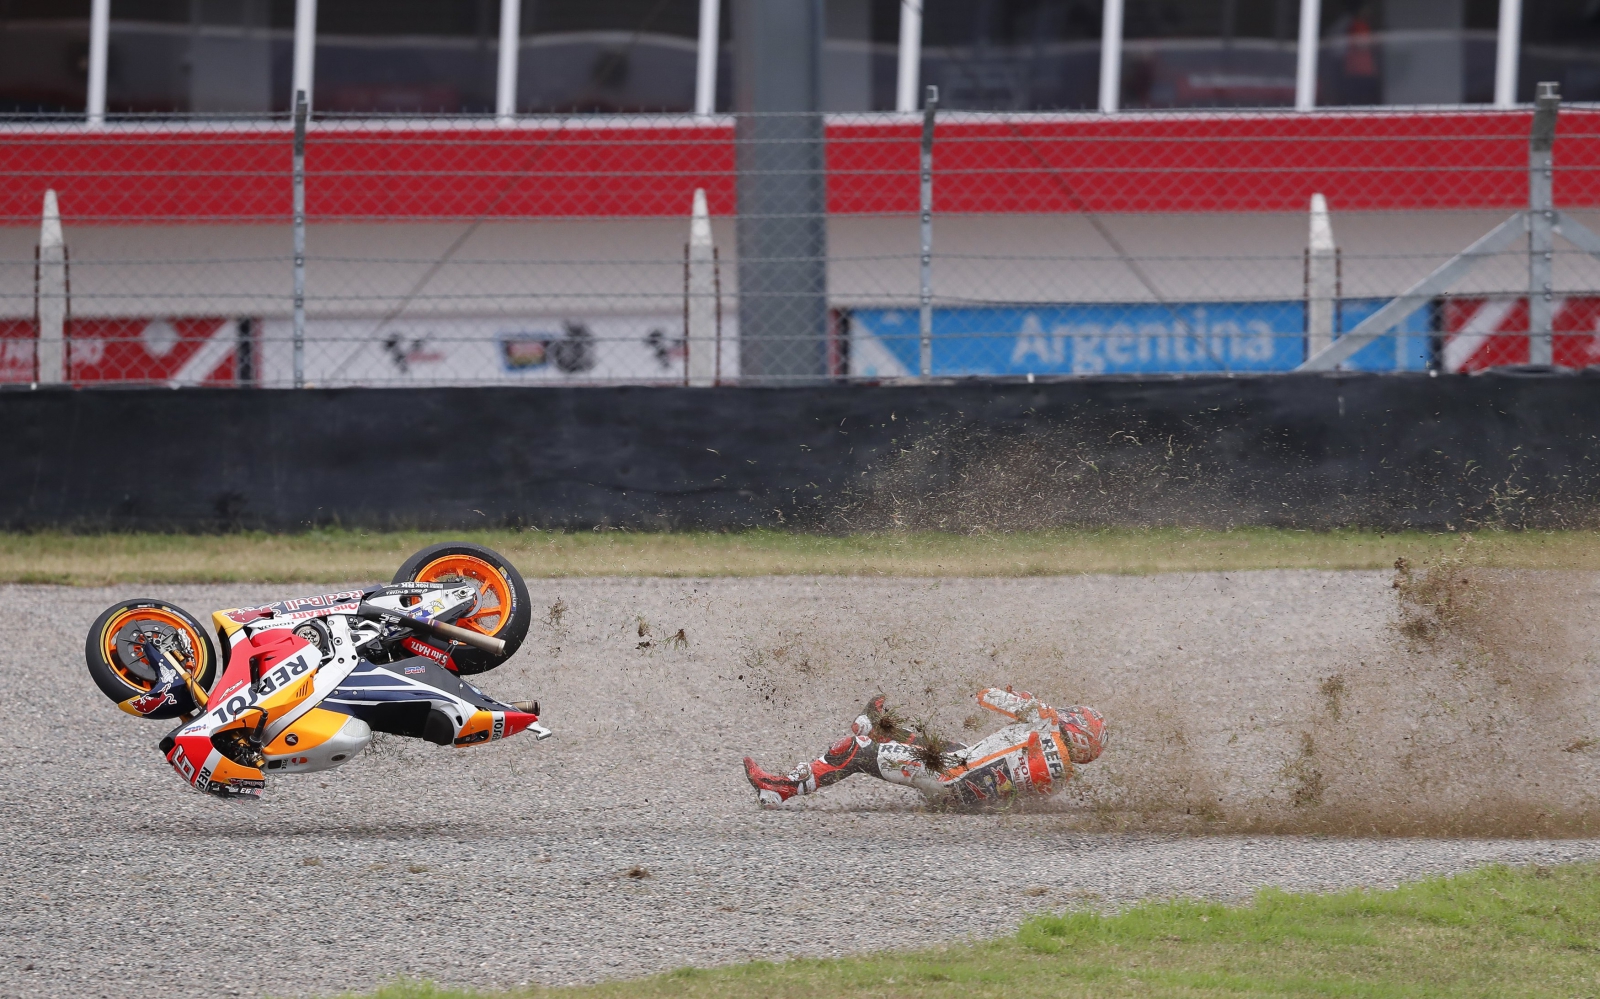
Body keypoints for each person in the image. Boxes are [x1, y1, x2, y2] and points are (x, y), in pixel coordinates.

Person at [743, 687, 1106, 808]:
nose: (1065, 714)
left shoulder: (1042, 721)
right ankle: (884, 727)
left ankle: (781, 789)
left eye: (1073, 716)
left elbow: (985, 696)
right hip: (967, 796)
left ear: (1076, 728)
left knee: (855, 749)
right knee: (951, 747)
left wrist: (1026, 701)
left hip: (948, 778)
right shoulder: (1061, 777)